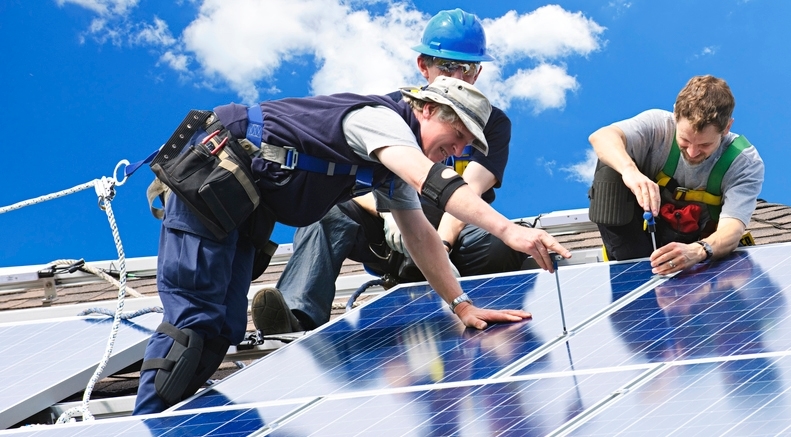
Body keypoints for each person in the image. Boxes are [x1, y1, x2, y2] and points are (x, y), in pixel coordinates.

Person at [134, 75, 571, 415]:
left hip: (241, 206)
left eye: (462, 148)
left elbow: (419, 235)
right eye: (455, 137)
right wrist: (509, 231)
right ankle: (146, 424)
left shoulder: (389, 170)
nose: (454, 151)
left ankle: (170, 421)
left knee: (224, 330)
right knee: (194, 323)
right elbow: (430, 180)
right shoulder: (378, 121)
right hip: (211, 177)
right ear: (425, 107)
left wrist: (461, 305)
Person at [252, 9, 526, 336]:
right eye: (447, 66)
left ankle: (477, 306)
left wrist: (441, 242)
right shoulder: (392, 112)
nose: (458, 76)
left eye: (466, 68)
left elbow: (470, 189)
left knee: (501, 241)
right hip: (391, 234)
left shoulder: (490, 124)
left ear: (477, 73)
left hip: (452, 234)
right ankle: (296, 316)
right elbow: (357, 178)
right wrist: (387, 213)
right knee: (327, 213)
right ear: (424, 67)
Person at [587, 75, 764, 275]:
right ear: (675, 115)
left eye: (705, 145)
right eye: (685, 140)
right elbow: (601, 136)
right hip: (635, 242)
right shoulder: (657, 126)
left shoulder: (743, 162)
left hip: (694, 249)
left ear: (727, 128)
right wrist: (630, 171)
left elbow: (732, 228)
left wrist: (699, 251)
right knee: (610, 165)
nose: (692, 153)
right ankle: (631, 269)